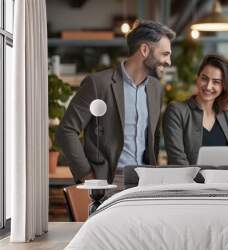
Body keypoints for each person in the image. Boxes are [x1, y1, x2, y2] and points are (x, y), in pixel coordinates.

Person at [56, 20, 176, 185]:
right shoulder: (98, 84)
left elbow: (153, 136)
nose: (169, 61)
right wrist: (86, 175)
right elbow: (66, 130)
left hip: (145, 182)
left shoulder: (156, 88)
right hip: (110, 181)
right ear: (144, 50)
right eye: (165, 54)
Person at [163, 54, 228, 165]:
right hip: (188, 181)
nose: (208, 86)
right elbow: (177, 160)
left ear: (224, 86)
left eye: (216, 82)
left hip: (225, 181)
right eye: (204, 79)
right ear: (197, 78)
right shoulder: (176, 111)